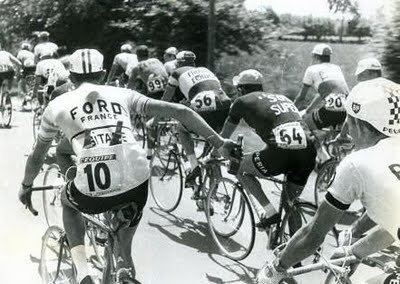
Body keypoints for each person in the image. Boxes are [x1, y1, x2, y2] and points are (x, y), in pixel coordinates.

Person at [18, 48, 235, 284]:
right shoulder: (123, 94)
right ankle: (123, 268)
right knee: (123, 250)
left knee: (67, 203)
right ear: (102, 74)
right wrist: (218, 141)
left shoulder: (56, 105)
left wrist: (26, 186)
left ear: (71, 77)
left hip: (91, 188)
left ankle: (82, 271)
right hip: (136, 182)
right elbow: (181, 110)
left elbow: (37, 155)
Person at [256, 77, 400, 284]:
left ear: (359, 124)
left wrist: (275, 268)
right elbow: (394, 222)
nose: (347, 130)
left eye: (347, 121)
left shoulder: (357, 164)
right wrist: (356, 252)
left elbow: (312, 236)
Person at [220, 69, 316, 229]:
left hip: (280, 153)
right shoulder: (283, 98)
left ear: (241, 89)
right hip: (308, 152)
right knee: (290, 204)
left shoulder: (241, 101)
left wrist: (213, 153)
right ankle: (299, 247)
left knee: (236, 167)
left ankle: (270, 212)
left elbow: (223, 139)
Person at [160, 50, 232, 186]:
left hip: (204, 107)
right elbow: (207, 90)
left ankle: (194, 167)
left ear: (178, 63)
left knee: (181, 128)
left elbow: (166, 99)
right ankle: (213, 190)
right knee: (212, 146)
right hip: (225, 105)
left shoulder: (177, 72)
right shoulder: (204, 69)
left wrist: (157, 118)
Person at [295, 43, 349, 131]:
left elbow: (301, 97)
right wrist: (308, 110)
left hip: (330, 111)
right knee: (330, 130)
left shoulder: (311, 69)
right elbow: (323, 93)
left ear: (315, 56)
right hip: (346, 111)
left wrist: (291, 112)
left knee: (303, 126)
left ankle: (317, 143)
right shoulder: (336, 68)